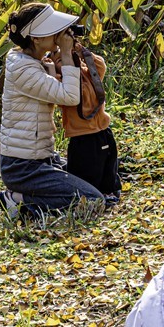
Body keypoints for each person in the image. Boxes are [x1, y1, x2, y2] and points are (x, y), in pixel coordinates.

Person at [0, 2, 107, 221]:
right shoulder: (23, 69)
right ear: (36, 38)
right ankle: (18, 200)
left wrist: (63, 60)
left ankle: (27, 196)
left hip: (44, 158)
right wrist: (65, 53)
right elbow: (70, 96)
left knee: (95, 180)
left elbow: (71, 87)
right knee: (93, 200)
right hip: (24, 167)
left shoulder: (32, 63)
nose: (59, 34)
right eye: (53, 31)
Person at [60, 34, 120, 205]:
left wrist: (81, 51)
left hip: (103, 131)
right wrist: (55, 67)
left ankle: (108, 190)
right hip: (82, 136)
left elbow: (100, 65)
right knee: (86, 171)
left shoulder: (89, 73)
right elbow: (56, 94)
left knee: (108, 165)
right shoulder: (63, 83)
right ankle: (91, 196)